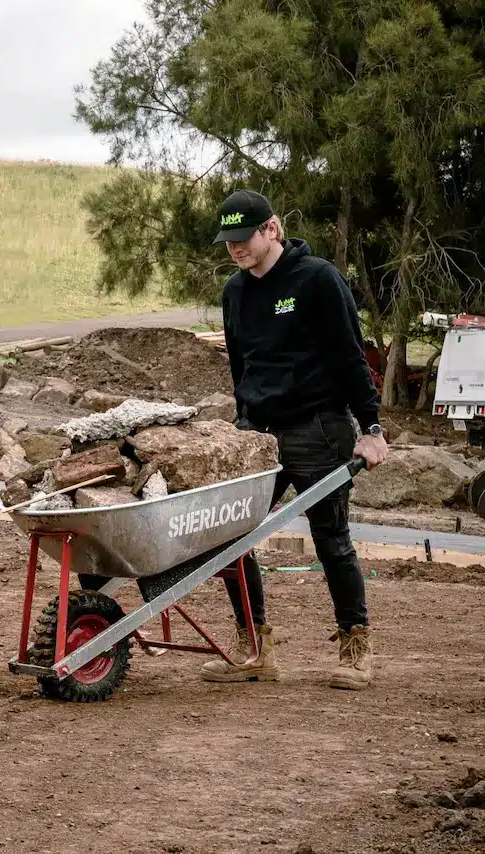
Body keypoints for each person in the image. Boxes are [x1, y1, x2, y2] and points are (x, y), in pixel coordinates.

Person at [202, 189, 389, 690]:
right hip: (256, 436)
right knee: (229, 537)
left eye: (244, 238)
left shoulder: (318, 280)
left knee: (331, 540)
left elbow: (353, 359)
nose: (236, 249)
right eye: (229, 242)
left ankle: (355, 647)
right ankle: (255, 648)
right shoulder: (234, 293)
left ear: (272, 229)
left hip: (317, 430)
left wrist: (370, 429)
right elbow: (241, 366)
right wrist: (242, 424)